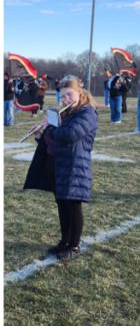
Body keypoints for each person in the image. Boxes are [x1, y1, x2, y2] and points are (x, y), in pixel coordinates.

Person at [23, 78, 98, 260]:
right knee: (61, 203)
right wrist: (41, 134)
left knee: (72, 205)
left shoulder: (87, 112)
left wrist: (52, 127)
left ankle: (74, 246)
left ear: (79, 92)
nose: (65, 99)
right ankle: (65, 241)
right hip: (56, 163)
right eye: (63, 96)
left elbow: (70, 135)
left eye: (69, 94)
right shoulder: (66, 112)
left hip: (73, 164)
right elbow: (54, 139)